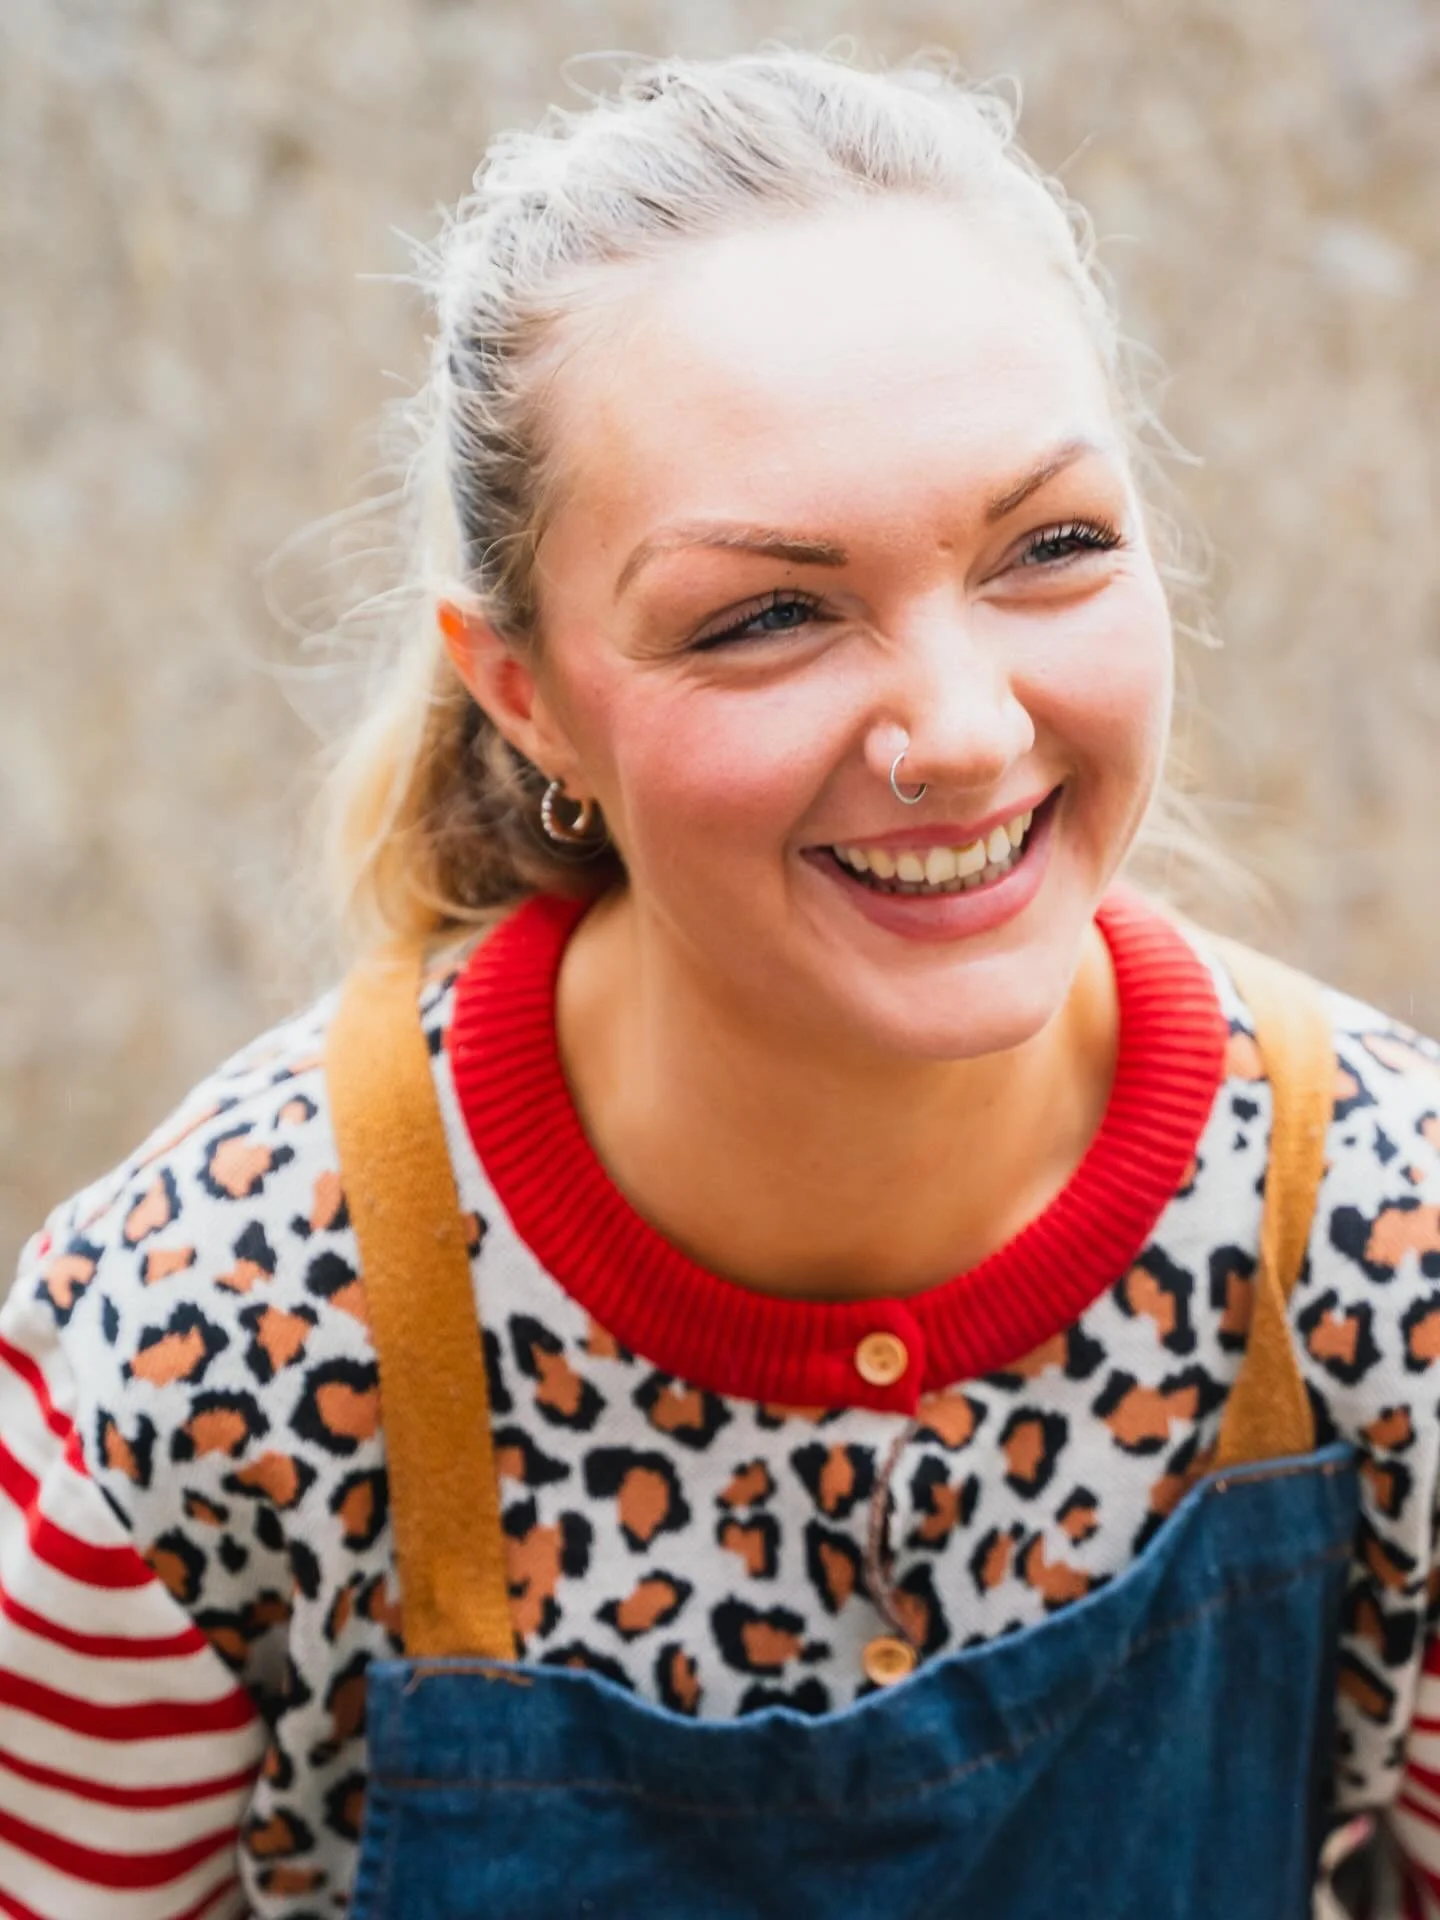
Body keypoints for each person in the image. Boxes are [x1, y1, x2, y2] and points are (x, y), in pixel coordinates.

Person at [3, 46, 1438, 1920]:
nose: (962, 725)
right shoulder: (204, 1350)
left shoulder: (1387, 1250)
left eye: (1053, 548)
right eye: (767, 614)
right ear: (525, 695)